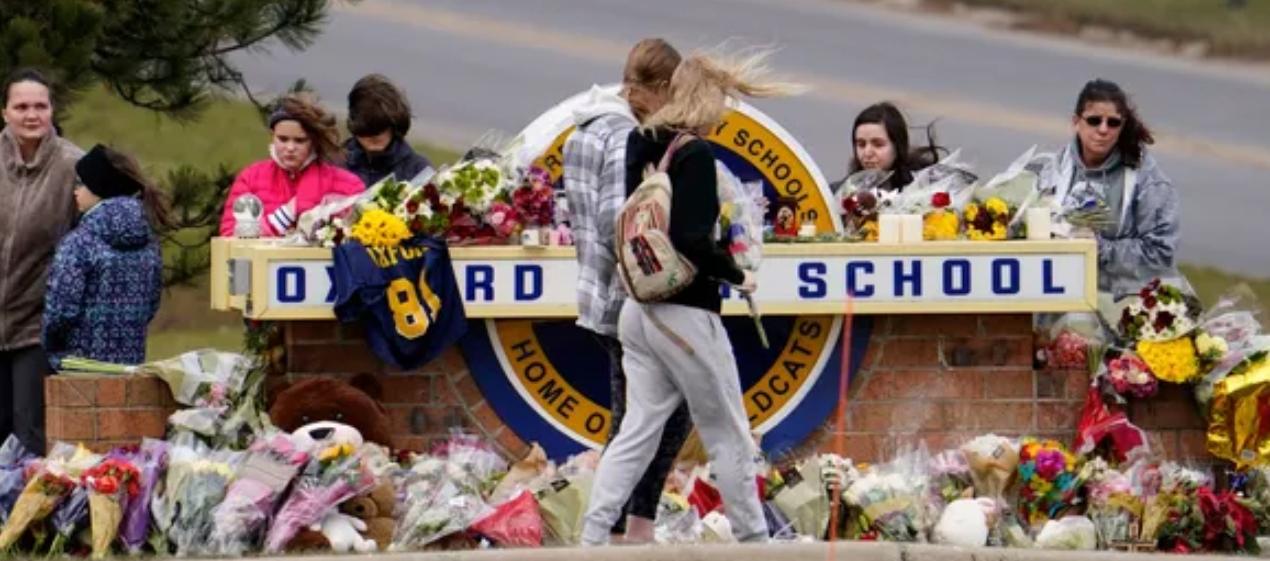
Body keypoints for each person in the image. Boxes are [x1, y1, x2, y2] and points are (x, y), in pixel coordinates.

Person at [581, 49, 797, 546]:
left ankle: (591, 539)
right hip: (685, 311)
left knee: (636, 431)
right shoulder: (696, 156)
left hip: (638, 306)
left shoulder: (642, 142)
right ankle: (753, 540)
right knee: (727, 429)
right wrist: (734, 272)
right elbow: (693, 238)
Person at [562, 38, 690, 543]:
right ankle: (622, 528)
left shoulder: (585, 131)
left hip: (599, 295)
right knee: (652, 420)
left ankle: (625, 526)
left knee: (640, 416)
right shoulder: (625, 138)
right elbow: (628, 225)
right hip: (630, 298)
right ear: (658, 88)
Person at [0, 68, 83, 454]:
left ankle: (28, 515)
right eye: (21, 106)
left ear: (51, 111)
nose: (31, 114)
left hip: (37, 326)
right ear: (5, 113)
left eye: (40, 106)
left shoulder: (74, 166)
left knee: (27, 434)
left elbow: (108, 224)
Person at [1045, 79, 1179, 298]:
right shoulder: (1052, 168)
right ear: (1076, 122)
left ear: (1122, 126)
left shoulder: (1147, 179)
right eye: (1094, 120)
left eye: (1113, 123)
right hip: (1060, 297)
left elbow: (1161, 254)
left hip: (1122, 304)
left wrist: (1099, 249)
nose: (1103, 130)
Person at [43, 145, 170, 370]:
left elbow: (60, 312)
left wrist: (50, 346)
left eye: (81, 183)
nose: (75, 191)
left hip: (77, 369)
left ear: (100, 187)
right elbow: (152, 304)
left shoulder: (79, 243)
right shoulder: (149, 241)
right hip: (129, 367)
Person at [219, 93, 364, 237]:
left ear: (314, 141)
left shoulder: (349, 186)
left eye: (300, 140)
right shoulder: (251, 178)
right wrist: (285, 215)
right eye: (282, 139)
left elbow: (364, 239)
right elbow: (229, 235)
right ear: (272, 135)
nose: (290, 148)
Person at [343, 74, 433, 186]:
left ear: (395, 124)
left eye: (380, 128)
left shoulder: (418, 171)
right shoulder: (334, 163)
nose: (373, 137)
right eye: (366, 130)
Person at [838, 101, 943, 192]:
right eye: (861, 144)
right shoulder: (843, 194)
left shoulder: (927, 188)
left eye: (878, 144)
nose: (867, 153)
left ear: (898, 146)